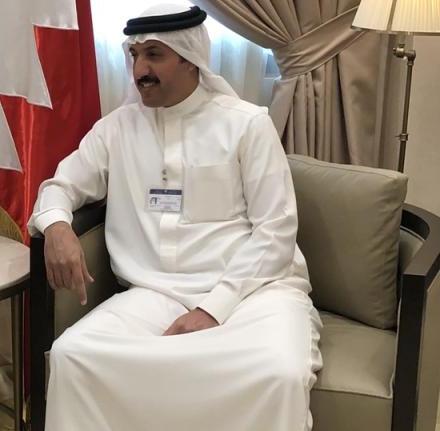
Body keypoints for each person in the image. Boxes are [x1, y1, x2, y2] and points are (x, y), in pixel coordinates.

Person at [30, 4, 322, 431]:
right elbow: (59, 186)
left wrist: (212, 309)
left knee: (278, 373)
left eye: (154, 55)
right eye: (134, 55)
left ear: (190, 59)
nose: (140, 70)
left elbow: (276, 230)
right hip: (155, 292)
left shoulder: (247, 125)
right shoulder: (116, 129)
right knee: (74, 355)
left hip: (252, 291)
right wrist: (56, 226)